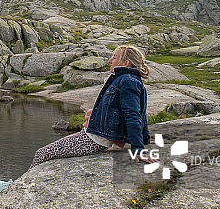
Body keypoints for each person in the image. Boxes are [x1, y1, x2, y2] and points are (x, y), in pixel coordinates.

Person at [29, 44, 157, 169]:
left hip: (94, 139)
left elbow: (133, 115)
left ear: (125, 63)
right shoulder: (123, 79)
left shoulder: (128, 81)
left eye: (114, 57)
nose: (109, 61)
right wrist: (145, 138)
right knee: (43, 153)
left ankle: (16, 187)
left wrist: (138, 149)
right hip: (91, 135)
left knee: (41, 153)